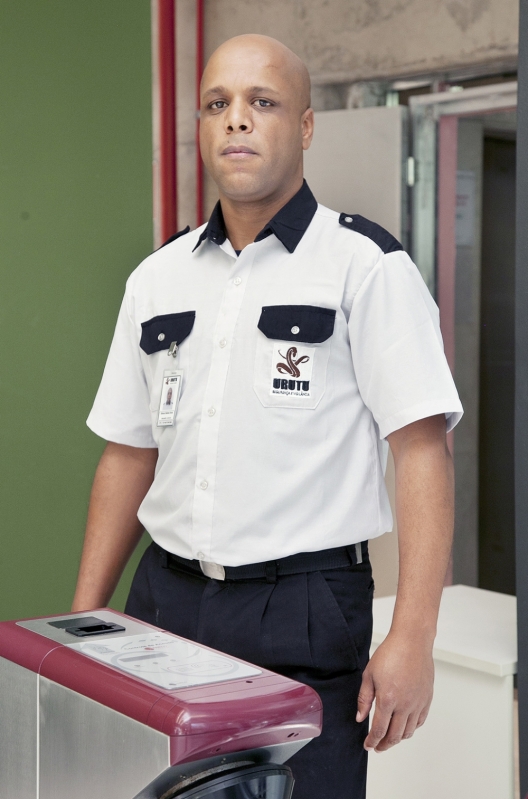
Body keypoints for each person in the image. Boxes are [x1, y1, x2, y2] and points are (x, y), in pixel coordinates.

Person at [72, 34, 462, 799]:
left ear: (307, 126)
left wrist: (413, 636)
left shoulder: (366, 267)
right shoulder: (157, 278)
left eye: (263, 103)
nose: (236, 122)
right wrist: (85, 621)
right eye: (218, 104)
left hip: (304, 611)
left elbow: (421, 451)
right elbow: (127, 452)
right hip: (165, 604)